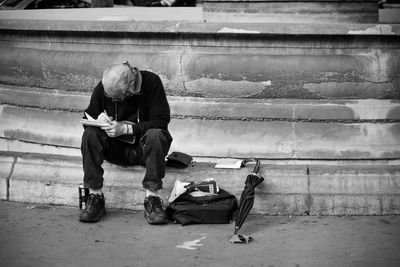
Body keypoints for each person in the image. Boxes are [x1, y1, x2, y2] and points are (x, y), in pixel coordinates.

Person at [79, 61, 173, 225]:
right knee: (90, 135)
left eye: (116, 96)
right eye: (109, 96)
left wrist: (126, 129)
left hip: (144, 150)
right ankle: (95, 196)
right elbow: (87, 118)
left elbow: (162, 121)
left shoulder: (151, 82)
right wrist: (98, 118)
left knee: (156, 135)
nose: (112, 99)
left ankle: (152, 199)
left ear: (130, 87)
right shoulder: (106, 87)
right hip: (115, 149)